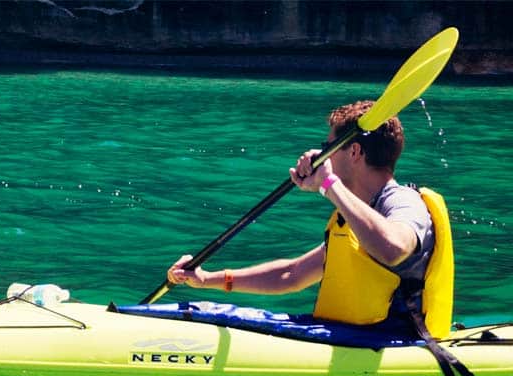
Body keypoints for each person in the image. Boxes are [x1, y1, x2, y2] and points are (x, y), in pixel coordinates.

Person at [165, 100, 440, 336]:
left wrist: (329, 185)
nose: (322, 155)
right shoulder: (355, 211)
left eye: (328, 146)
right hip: (348, 338)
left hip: (388, 342)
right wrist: (208, 279)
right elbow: (292, 274)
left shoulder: (403, 202)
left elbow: (393, 249)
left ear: (354, 152)